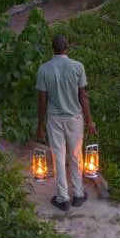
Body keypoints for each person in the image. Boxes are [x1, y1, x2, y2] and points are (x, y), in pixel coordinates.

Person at [35, 33, 97, 212]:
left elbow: (42, 99)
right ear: (67, 47)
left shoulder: (44, 69)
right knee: (76, 155)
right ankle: (78, 194)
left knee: (58, 157)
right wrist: (90, 121)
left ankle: (63, 199)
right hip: (75, 118)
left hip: (54, 118)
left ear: (52, 48)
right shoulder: (77, 66)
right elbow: (83, 96)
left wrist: (40, 125)